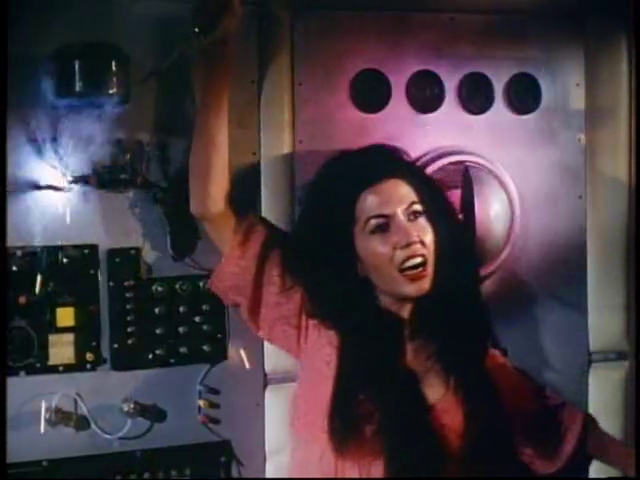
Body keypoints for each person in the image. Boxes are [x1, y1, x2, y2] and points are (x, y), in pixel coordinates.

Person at [188, 1, 635, 476]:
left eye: (415, 215)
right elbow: (209, 209)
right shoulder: (316, 325)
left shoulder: (475, 365)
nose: (409, 238)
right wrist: (219, 57)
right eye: (380, 227)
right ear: (356, 259)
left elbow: (575, 435)